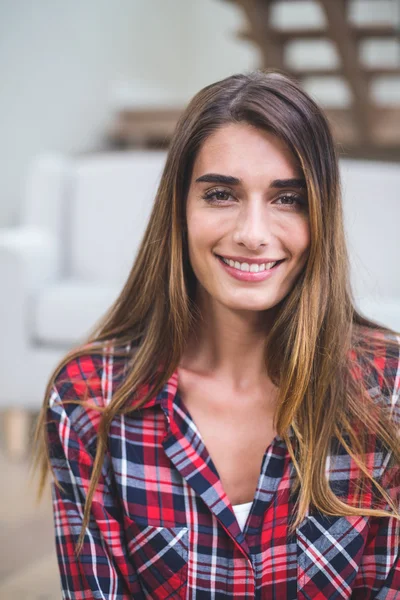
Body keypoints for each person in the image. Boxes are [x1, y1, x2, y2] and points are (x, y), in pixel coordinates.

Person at [32, 70, 400, 599]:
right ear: (180, 210)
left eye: (288, 199)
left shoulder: (385, 389)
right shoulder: (90, 398)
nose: (253, 234)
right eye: (222, 194)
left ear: (322, 213)